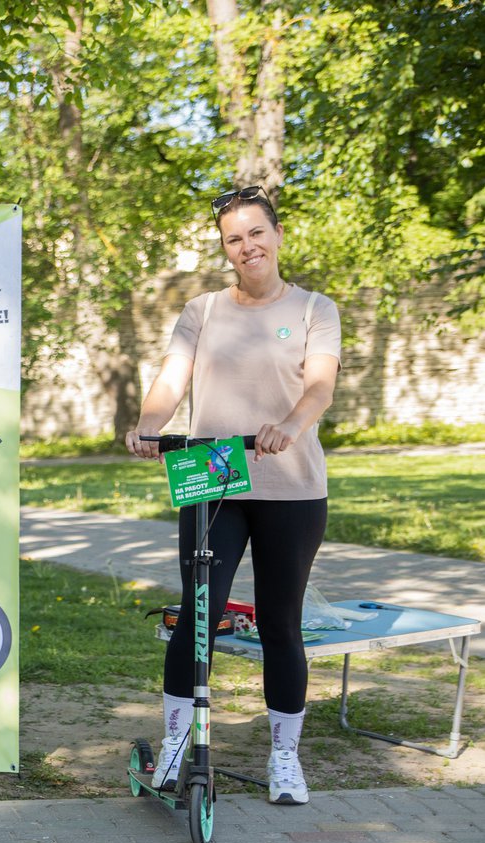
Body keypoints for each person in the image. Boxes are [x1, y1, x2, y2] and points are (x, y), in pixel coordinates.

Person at [125, 185, 341, 806]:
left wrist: (290, 427)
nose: (246, 247)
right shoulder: (203, 311)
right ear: (225, 248)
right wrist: (149, 424)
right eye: (232, 239)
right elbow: (172, 377)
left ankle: (284, 758)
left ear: (276, 235)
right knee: (198, 615)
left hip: (292, 482)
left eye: (255, 233)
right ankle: (174, 748)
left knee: (280, 623)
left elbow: (319, 386)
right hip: (213, 470)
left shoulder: (313, 308)